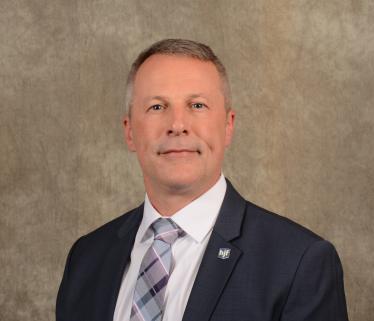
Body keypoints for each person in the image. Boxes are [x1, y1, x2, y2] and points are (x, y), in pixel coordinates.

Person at [56, 39, 349, 321]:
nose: (177, 125)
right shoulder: (86, 258)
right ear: (130, 131)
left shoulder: (299, 262)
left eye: (197, 105)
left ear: (228, 126)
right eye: (157, 107)